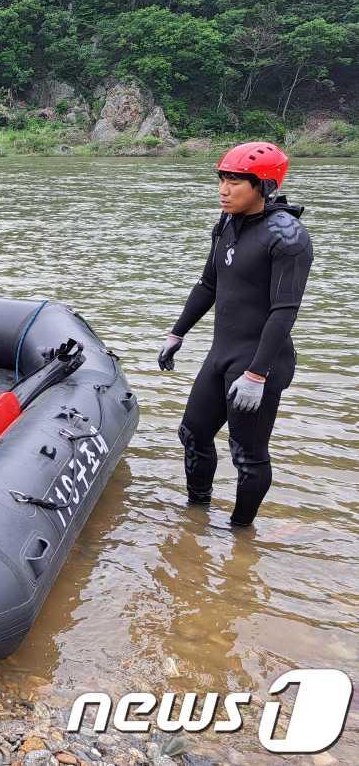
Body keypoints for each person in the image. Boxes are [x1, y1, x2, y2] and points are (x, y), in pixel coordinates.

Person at [157, 142, 312, 528]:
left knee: (248, 456)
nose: (224, 190)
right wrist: (177, 333)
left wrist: (257, 375)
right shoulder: (226, 223)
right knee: (192, 432)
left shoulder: (288, 237)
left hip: (261, 360)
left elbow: (284, 310)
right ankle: (197, 514)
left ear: (265, 186)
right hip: (221, 353)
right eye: (222, 179)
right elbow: (209, 283)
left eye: (236, 181)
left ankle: (240, 533)